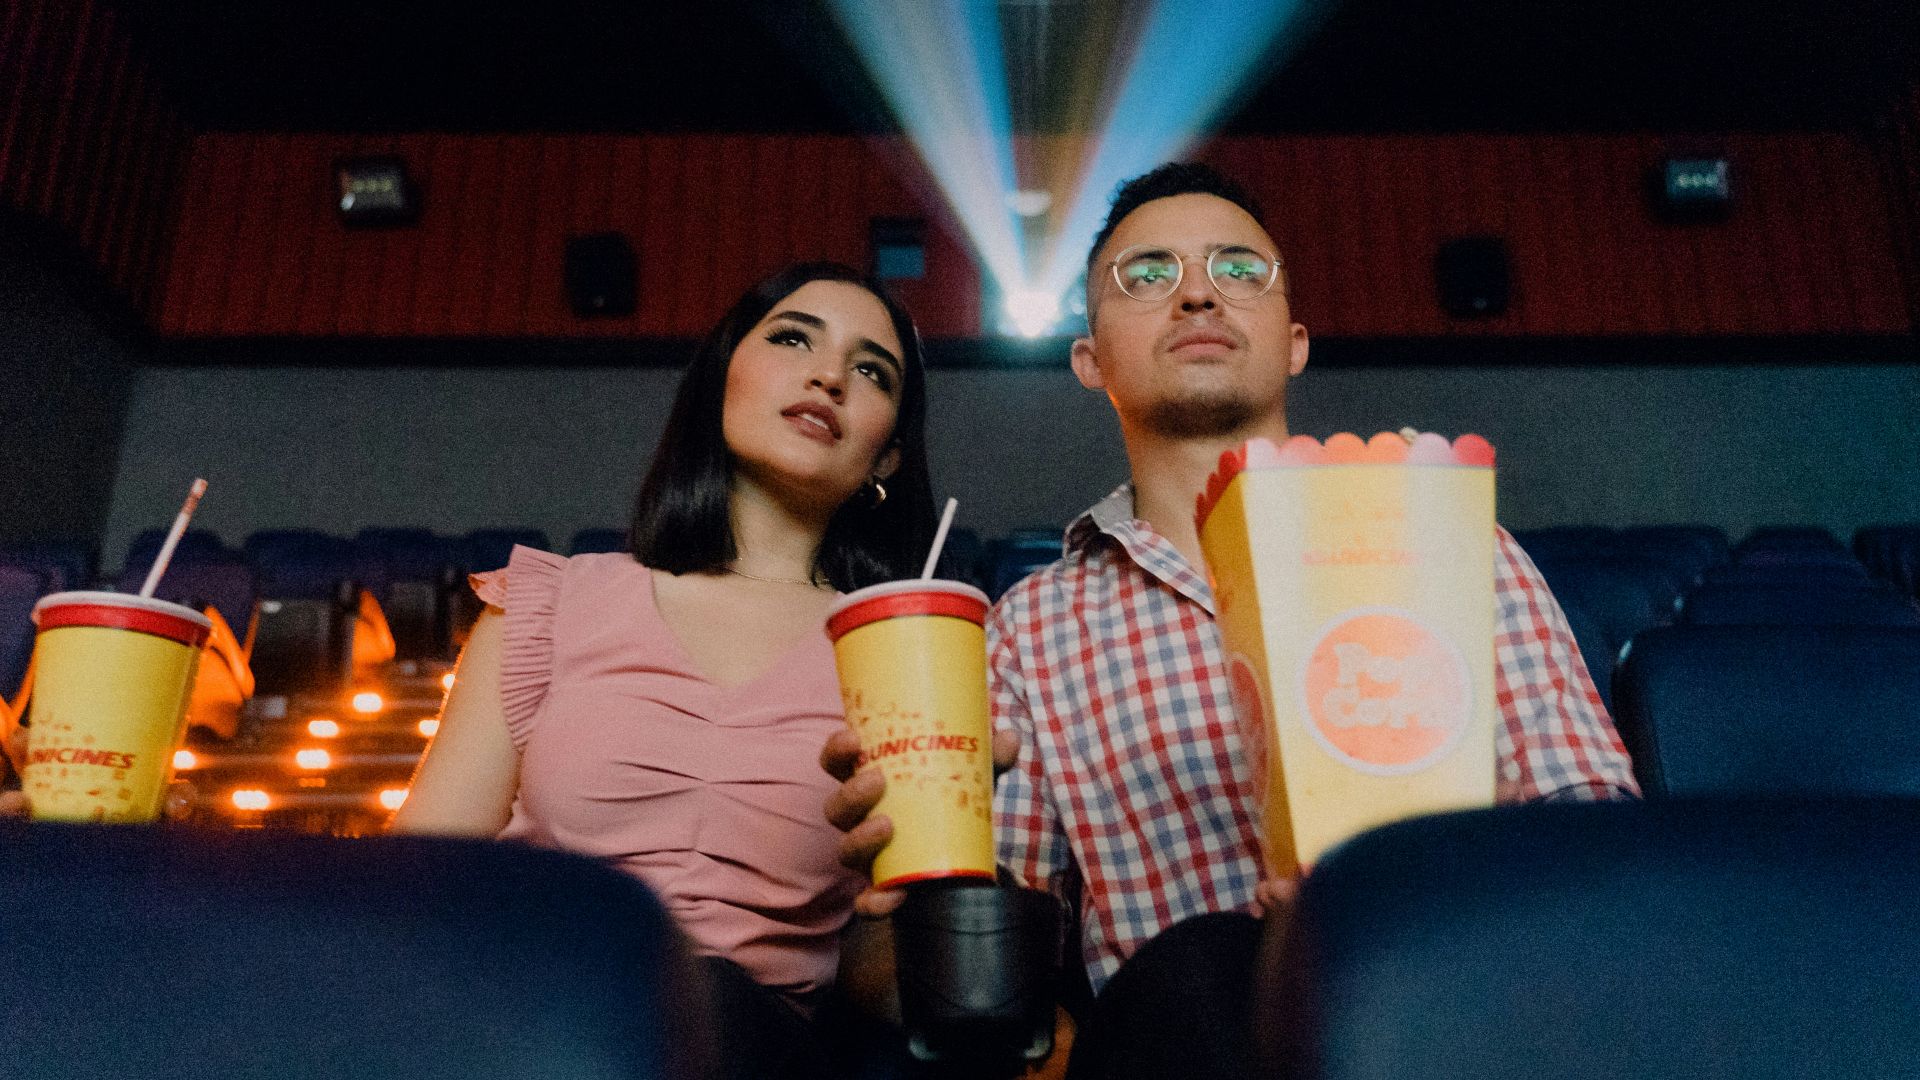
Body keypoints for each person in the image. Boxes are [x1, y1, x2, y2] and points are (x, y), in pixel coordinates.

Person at [823, 164, 1638, 1078]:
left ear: (1292, 342)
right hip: (1194, 1030)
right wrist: (909, 891)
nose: (1201, 293)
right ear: (1090, 359)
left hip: (1461, 1003)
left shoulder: (1452, 542)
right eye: (1148, 275)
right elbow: (988, 961)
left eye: (1239, 270)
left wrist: (1398, 907)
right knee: (1209, 964)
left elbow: (1596, 835)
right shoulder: (1032, 627)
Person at [395, 262, 936, 1080]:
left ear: (887, 455)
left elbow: (884, 982)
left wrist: (918, 895)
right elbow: (421, 882)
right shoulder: (551, 602)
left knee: (708, 997)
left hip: (764, 1045)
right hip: (534, 1021)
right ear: (722, 378)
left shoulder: (906, 653)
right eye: (793, 339)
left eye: (871, 371)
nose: (829, 376)